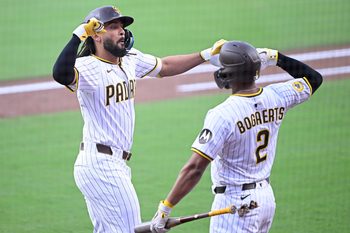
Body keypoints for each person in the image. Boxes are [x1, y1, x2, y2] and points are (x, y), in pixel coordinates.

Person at [52, 5, 225, 233]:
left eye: (122, 27)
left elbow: (165, 66)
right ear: (96, 34)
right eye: (113, 27)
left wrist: (204, 55)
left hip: (115, 164)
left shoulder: (130, 59)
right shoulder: (87, 67)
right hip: (101, 165)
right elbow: (60, 74)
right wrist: (78, 34)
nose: (121, 31)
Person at [150, 40, 323, 233]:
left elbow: (195, 168)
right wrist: (276, 57)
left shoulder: (222, 114)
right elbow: (313, 78)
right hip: (265, 199)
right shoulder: (277, 96)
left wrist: (165, 207)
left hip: (235, 205)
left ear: (228, 74)